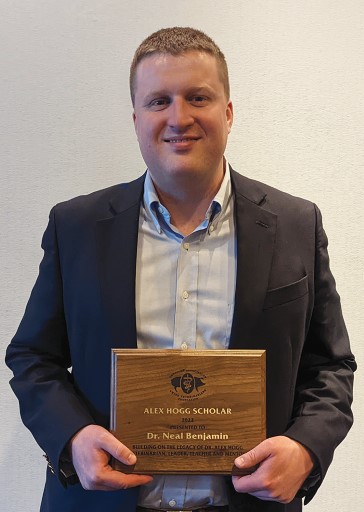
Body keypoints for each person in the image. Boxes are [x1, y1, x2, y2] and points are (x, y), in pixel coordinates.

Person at [5, 27, 356, 512]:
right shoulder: (77, 227)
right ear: (135, 119)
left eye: (198, 97)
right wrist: (72, 437)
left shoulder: (297, 224)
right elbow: (32, 358)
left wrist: (305, 449)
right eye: (158, 101)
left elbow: (330, 366)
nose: (179, 117)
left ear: (228, 113)